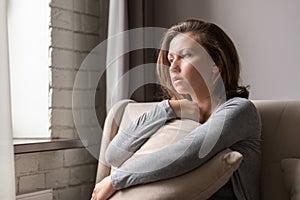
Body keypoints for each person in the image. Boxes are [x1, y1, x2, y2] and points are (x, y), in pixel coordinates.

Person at [91, 19, 261, 200]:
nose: (173, 67)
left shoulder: (241, 110)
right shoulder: (172, 114)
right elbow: (114, 155)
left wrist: (115, 180)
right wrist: (168, 108)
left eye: (185, 55)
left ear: (215, 64)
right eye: (170, 59)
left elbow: (190, 152)